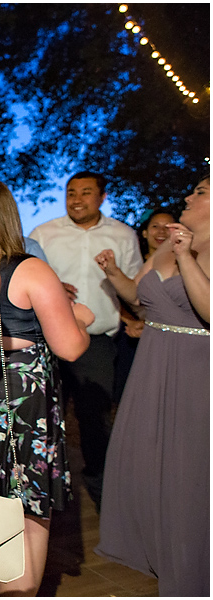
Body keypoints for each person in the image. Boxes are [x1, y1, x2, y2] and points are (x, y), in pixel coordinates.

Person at [0, 179, 94, 595]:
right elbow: (70, 347)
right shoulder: (29, 269)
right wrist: (83, 325)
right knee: (28, 508)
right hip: (27, 397)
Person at [94, 176, 209, 596]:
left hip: (196, 369)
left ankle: (193, 575)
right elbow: (141, 299)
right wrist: (113, 273)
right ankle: (163, 559)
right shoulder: (169, 243)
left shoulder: (199, 247)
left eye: (200, 192)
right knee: (149, 464)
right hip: (152, 363)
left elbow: (210, 310)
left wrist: (188, 257)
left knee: (188, 476)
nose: (188, 196)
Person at [28, 171, 143, 510]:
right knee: (47, 416)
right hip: (48, 341)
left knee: (96, 420)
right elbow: (25, 275)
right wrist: (51, 285)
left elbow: (134, 288)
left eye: (86, 192)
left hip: (97, 343)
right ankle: (43, 488)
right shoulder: (43, 234)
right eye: (71, 192)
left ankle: (102, 492)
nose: (77, 199)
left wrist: (131, 317)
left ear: (102, 197)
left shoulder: (122, 235)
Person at [110, 209, 177, 404]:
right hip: (130, 334)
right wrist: (129, 321)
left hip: (167, 336)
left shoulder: (183, 262)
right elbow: (120, 295)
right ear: (145, 232)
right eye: (155, 226)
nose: (161, 232)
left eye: (167, 227)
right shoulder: (133, 262)